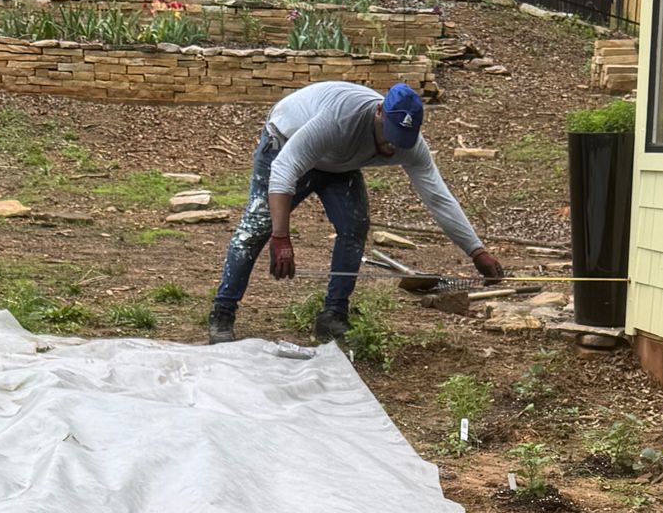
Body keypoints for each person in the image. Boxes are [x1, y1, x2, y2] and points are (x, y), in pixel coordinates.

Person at [209, 79, 505, 345]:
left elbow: (437, 197)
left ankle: (333, 316)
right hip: (285, 142)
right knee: (255, 229)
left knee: (354, 225)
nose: (392, 147)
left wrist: (476, 251)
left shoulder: (411, 145)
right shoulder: (339, 120)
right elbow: (284, 170)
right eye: (388, 136)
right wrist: (281, 236)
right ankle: (223, 313)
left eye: (400, 141)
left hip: (338, 162)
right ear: (379, 113)